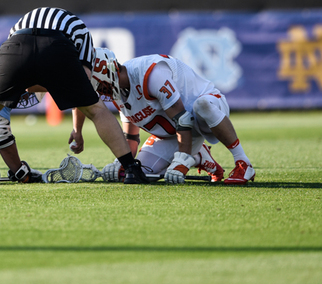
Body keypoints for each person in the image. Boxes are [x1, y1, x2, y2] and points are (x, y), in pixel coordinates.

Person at [0, 7, 149, 185]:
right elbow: (83, 83)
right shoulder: (81, 30)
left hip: (16, 44)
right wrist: (77, 128)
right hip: (56, 45)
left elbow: (27, 77)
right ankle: (131, 169)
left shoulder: (23, 21)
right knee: (96, 109)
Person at [91, 48, 255, 185]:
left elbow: (183, 119)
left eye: (98, 84)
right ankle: (198, 155)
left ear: (107, 72)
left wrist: (182, 160)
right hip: (174, 133)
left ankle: (243, 162)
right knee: (140, 173)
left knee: (202, 106)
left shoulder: (150, 74)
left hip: (205, 110)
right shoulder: (118, 93)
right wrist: (122, 163)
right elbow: (131, 137)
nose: (99, 91)